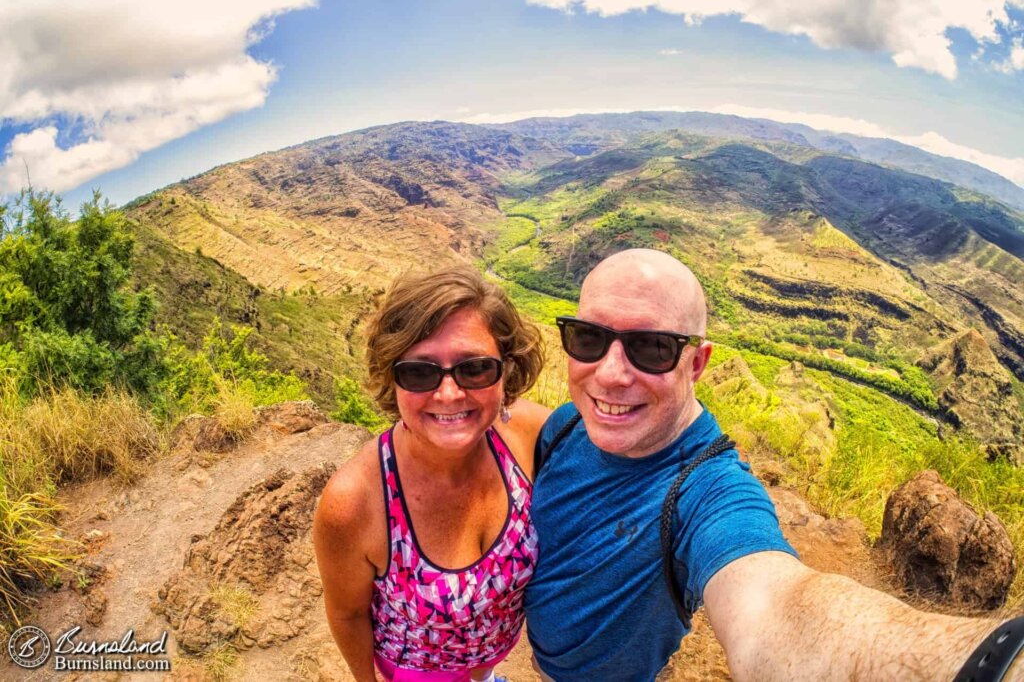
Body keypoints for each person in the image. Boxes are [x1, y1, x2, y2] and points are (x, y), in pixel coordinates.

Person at [525, 248, 1022, 682]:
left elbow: (778, 609)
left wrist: (991, 663)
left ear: (697, 364)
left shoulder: (706, 491)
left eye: (651, 348)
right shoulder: (569, 425)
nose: (610, 375)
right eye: (588, 338)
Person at [313, 266, 550, 682]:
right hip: (422, 673)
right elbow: (347, 614)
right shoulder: (355, 502)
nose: (448, 393)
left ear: (506, 370)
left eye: (474, 368)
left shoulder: (528, 436)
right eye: (420, 372)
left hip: (494, 653)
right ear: (393, 378)